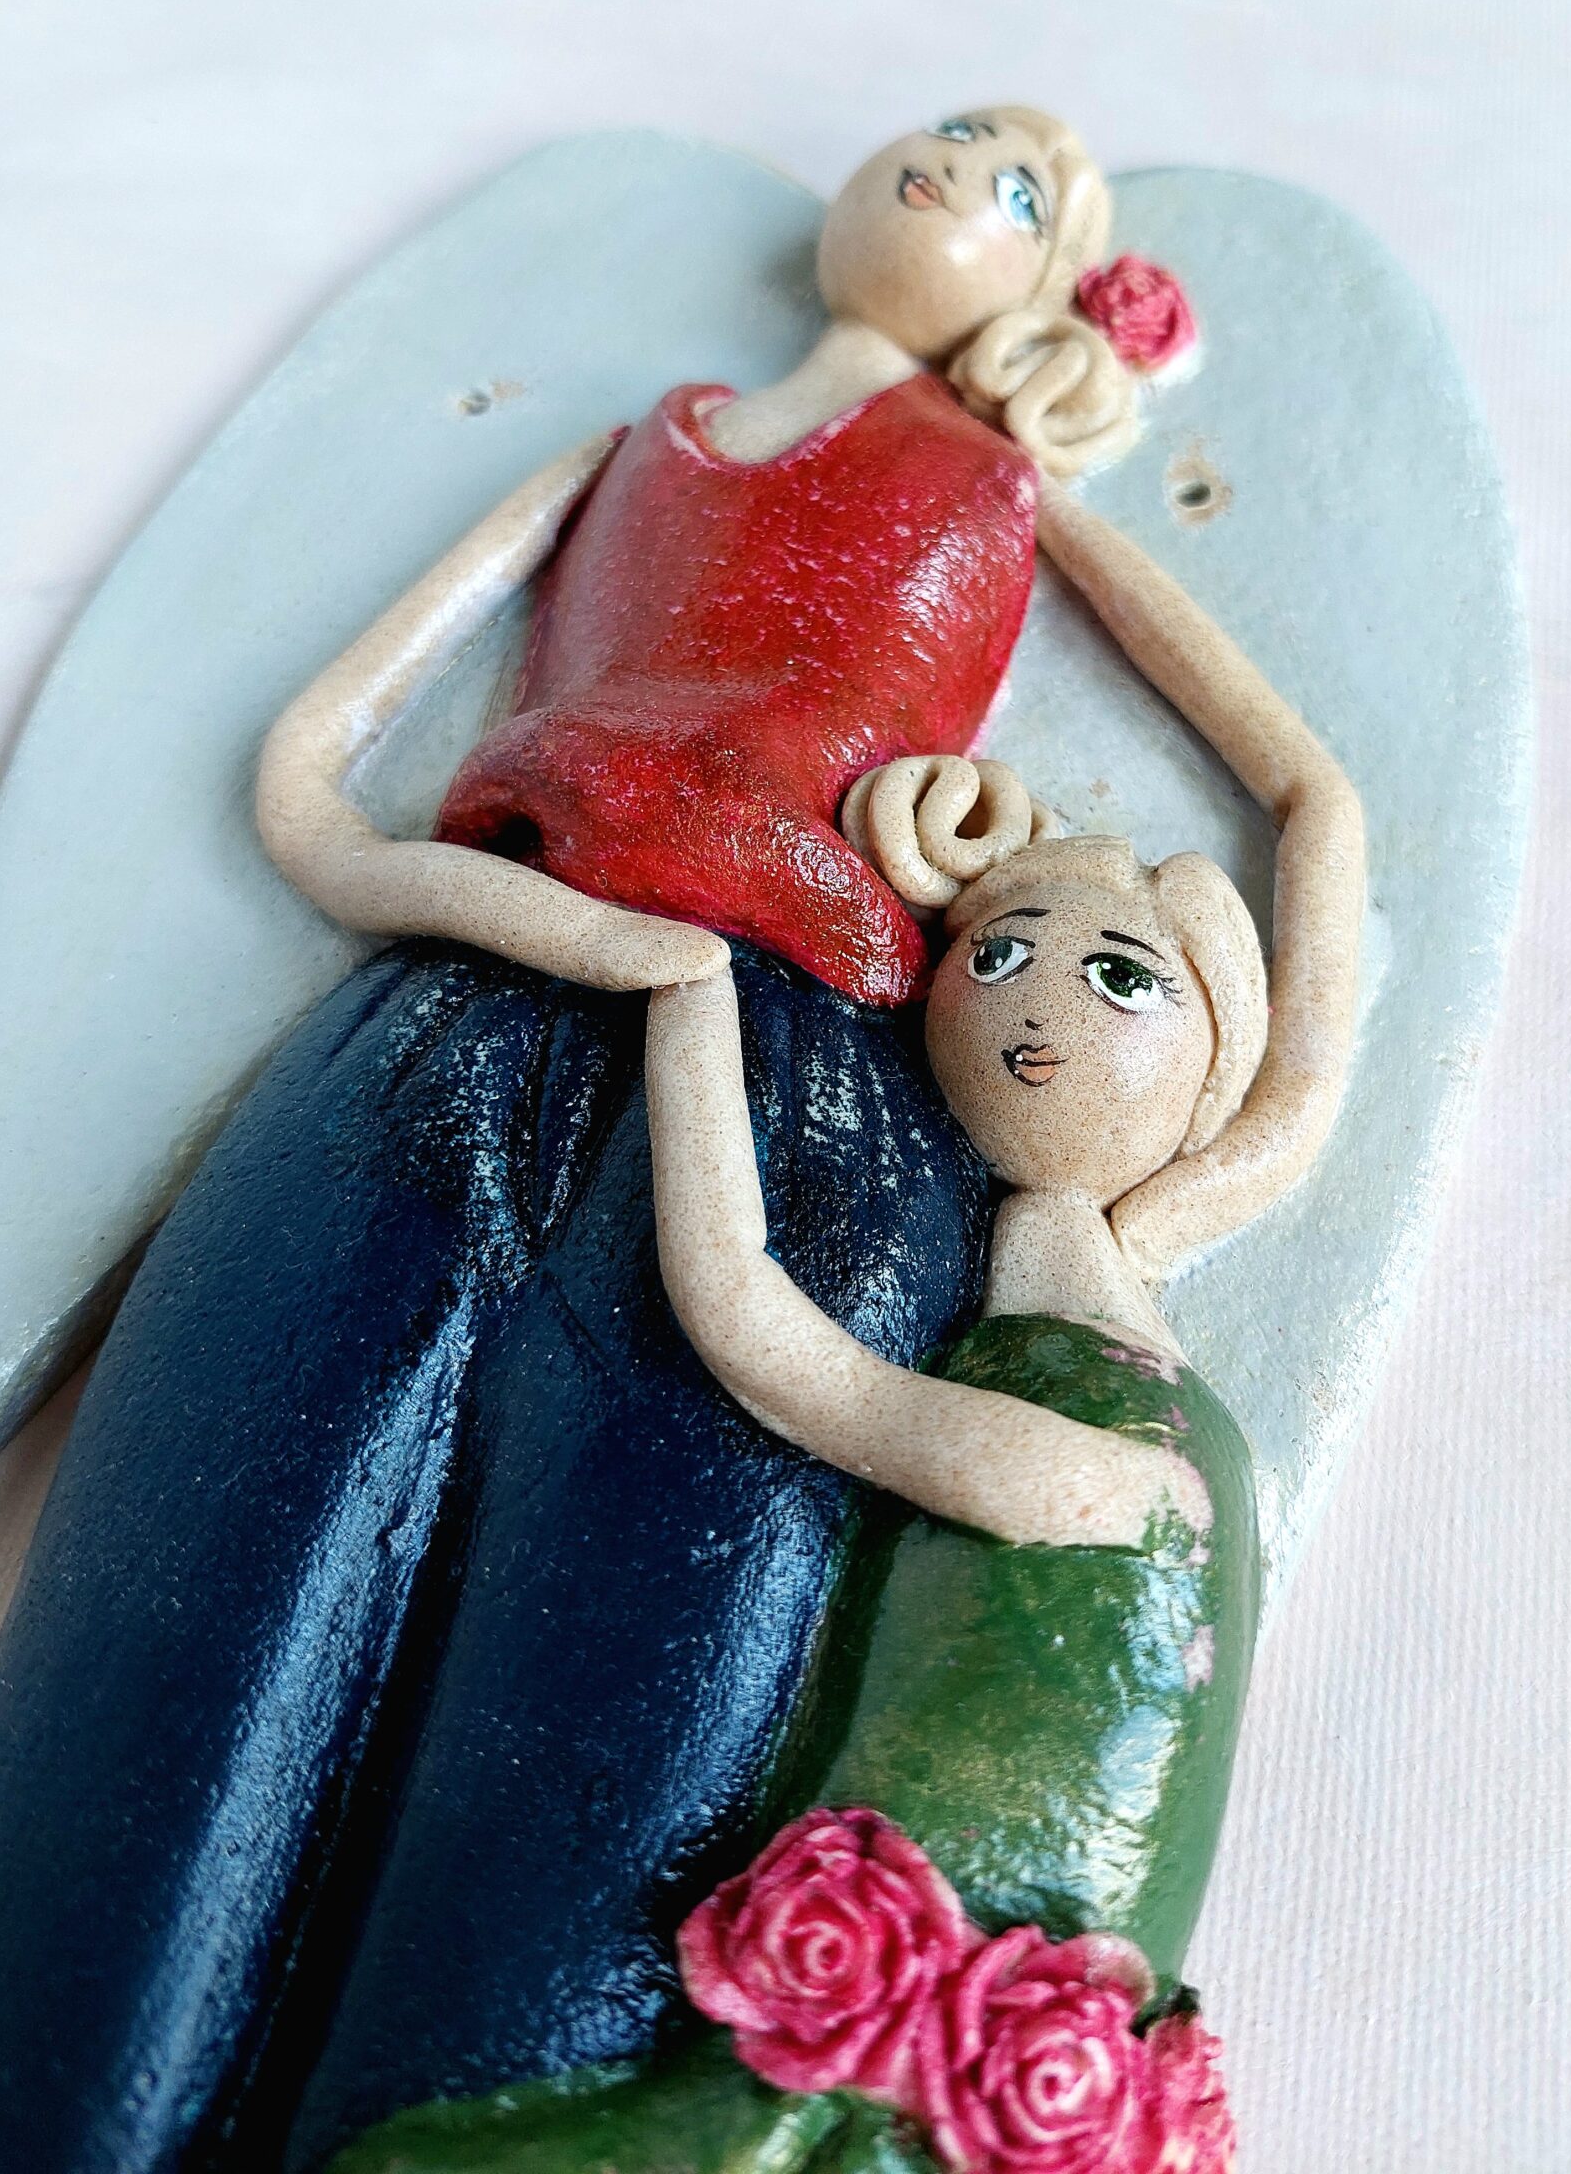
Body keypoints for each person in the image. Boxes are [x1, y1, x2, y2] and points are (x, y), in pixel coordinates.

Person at [0, 111, 1251, 2174]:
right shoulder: (635, 448)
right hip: (451, 1013)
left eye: (1021, 186)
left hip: (803, 1100)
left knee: (610, 1745)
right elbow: (307, 771)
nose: (954, 168)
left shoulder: (1006, 489)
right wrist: (465, 896)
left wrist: (1212, 1038)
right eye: (953, 136)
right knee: (193, 1597)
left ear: (1051, 283)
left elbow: (1303, 789)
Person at [323, 496, 1365, 2174]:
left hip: (914, 2064)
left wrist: (1061, 516)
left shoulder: (1112, 1453)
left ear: (1213, 1048)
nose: (1036, 1003)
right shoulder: (1073, 1357)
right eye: (1000, 955)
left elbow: (755, 1331)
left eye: (1120, 977)